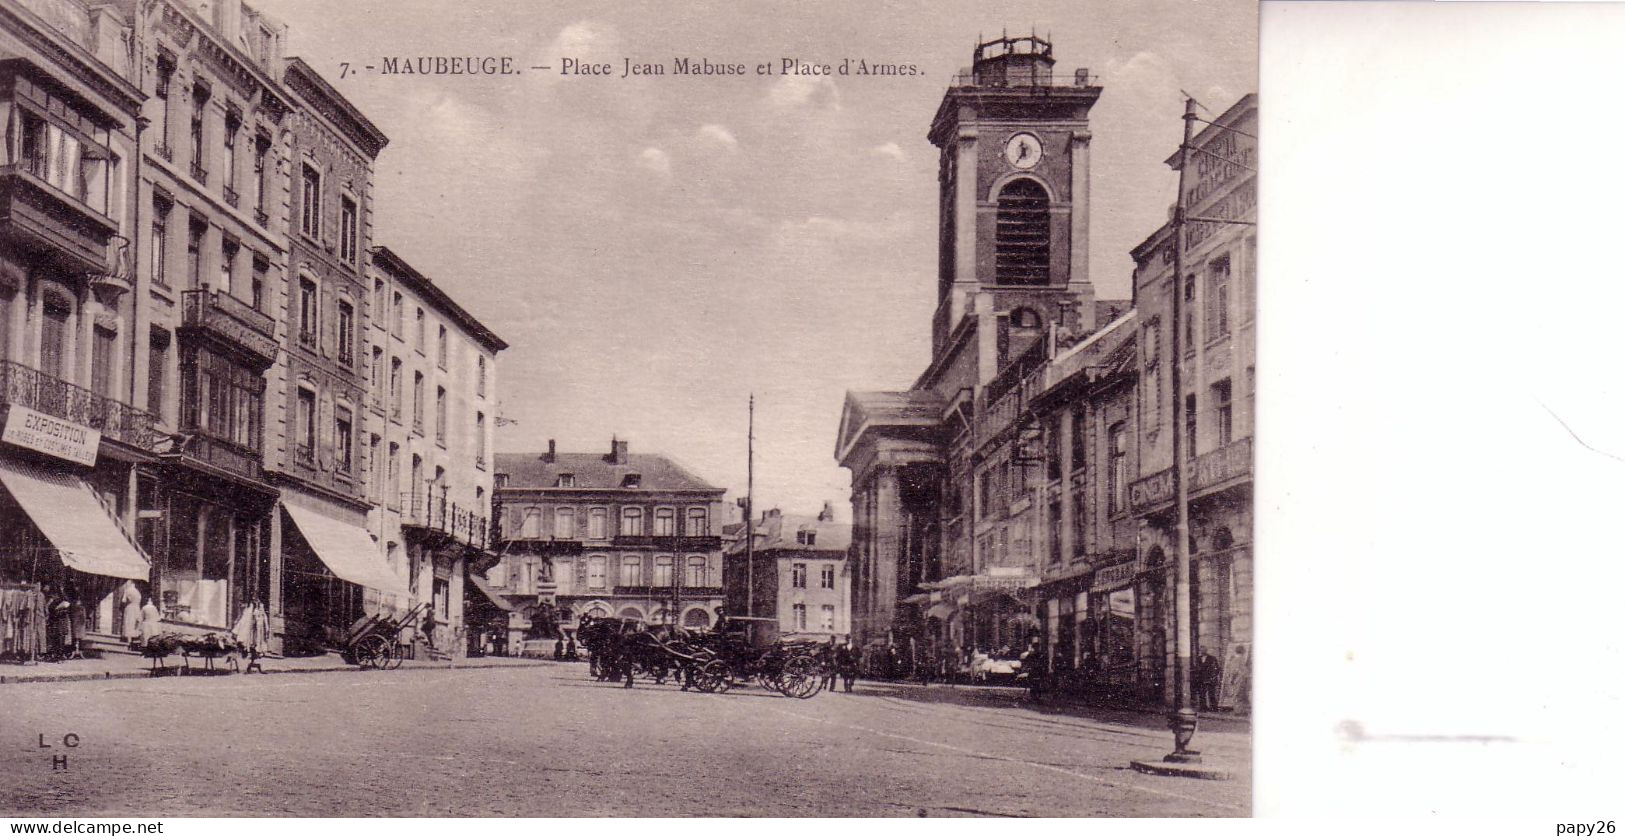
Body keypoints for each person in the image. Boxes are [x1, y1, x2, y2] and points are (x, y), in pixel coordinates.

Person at [1020, 638, 1047, 703]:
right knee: (1034, 684)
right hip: (1033, 671)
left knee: (1037, 684)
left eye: (1037, 647)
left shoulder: (1040, 655)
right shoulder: (1031, 655)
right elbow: (1027, 662)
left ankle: (1036, 697)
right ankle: (1034, 697)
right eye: (1035, 647)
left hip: (1038, 671)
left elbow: (1043, 662)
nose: (1036, 648)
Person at [1195, 647, 1221, 711]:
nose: (1202, 651)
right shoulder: (1198, 658)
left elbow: (1217, 668)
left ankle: (1214, 708)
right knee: (1202, 694)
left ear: (1206, 650)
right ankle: (1203, 707)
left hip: (1210, 678)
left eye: (1204, 650)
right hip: (1201, 679)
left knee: (1211, 693)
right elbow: (1196, 668)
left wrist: (1213, 676)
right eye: (1201, 650)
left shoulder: (1212, 658)